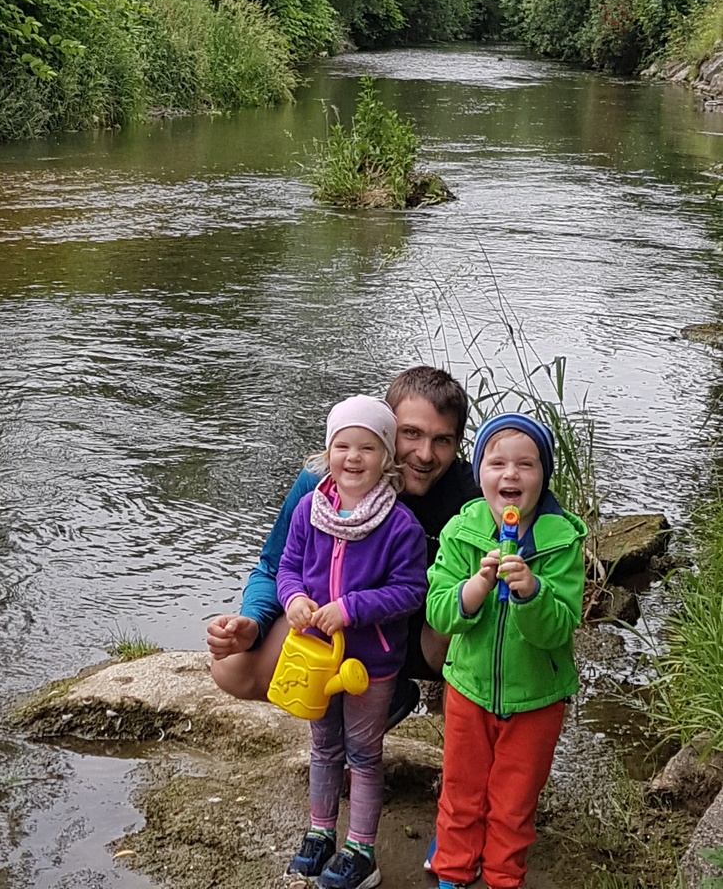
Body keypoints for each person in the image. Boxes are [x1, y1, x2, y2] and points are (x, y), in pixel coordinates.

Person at [206, 366, 479, 716]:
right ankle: (382, 699)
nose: (425, 454)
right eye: (410, 434)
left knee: (458, 616)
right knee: (233, 669)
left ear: (457, 444)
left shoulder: (472, 498)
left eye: (442, 440)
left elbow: (536, 501)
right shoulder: (322, 484)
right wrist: (253, 624)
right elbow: (274, 567)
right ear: (386, 428)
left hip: (419, 635)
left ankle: (447, 719)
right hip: (343, 627)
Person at [426, 413, 587, 889]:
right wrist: (476, 586)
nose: (511, 474)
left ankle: (502, 877)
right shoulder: (462, 532)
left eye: (526, 465)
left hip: (537, 697)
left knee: (514, 803)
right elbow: (439, 611)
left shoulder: (562, 543)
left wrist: (531, 593)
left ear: (544, 476)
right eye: (496, 463)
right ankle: (452, 872)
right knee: (460, 793)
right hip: (468, 690)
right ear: (479, 474)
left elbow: (558, 627)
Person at [277, 395, 427, 889]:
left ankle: (361, 850)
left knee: (363, 753)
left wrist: (351, 608)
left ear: (387, 457)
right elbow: (288, 568)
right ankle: (320, 833)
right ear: (327, 453)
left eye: (367, 447)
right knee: (322, 747)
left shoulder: (400, 524)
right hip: (317, 655)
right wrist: (294, 598)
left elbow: (410, 590)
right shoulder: (308, 509)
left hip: (371, 660)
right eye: (343, 446)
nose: (353, 457)